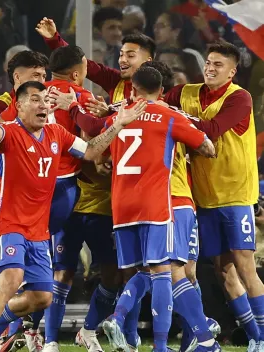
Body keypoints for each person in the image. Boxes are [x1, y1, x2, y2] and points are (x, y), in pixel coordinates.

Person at [0, 78, 147, 352]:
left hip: (38, 232)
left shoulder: (56, 134)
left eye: (45, 100)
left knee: (41, 297)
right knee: (12, 279)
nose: (43, 105)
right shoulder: (11, 132)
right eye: (35, 100)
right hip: (8, 225)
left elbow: (89, 150)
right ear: (19, 106)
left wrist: (118, 124)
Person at [36, 17, 155, 351]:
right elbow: (79, 67)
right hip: (82, 191)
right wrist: (56, 40)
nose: (122, 59)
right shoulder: (111, 84)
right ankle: (45, 337)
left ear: (147, 61)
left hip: (116, 196)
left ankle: (111, 334)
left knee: (121, 271)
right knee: (65, 271)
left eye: (130, 54)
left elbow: (77, 71)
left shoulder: (160, 96)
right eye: (121, 53)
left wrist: (98, 120)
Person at [95, 66, 217, 352]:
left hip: (121, 206)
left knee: (144, 271)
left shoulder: (117, 118)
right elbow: (208, 148)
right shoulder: (170, 116)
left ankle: (118, 315)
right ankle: (163, 346)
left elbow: (98, 154)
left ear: (132, 90)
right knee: (166, 272)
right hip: (157, 201)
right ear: (162, 91)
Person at [165, 41, 264, 352]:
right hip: (203, 198)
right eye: (209, 62)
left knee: (245, 266)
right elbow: (155, 103)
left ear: (232, 71)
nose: (210, 67)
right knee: (223, 271)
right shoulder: (184, 92)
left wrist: (176, 119)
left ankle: (263, 339)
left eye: (218, 65)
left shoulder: (240, 98)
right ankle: (254, 336)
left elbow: (212, 128)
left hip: (235, 195)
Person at [42, 45, 120, 352]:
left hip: (56, 195)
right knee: (112, 272)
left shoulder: (35, 95)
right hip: (93, 196)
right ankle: (87, 330)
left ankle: (49, 340)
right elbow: (98, 144)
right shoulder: (84, 99)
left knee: (60, 271)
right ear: (77, 73)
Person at [0, 49, 49, 352]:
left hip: (36, 207)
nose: (43, 83)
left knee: (40, 291)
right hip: (6, 204)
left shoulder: (40, 106)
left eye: (45, 77)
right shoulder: (7, 109)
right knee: (9, 278)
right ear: (18, 78)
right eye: (36, 77)